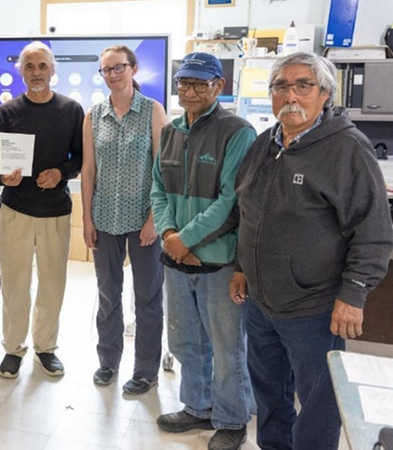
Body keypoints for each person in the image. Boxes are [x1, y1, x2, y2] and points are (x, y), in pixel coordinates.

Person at [230, 52, 393, 450]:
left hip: (314, 309)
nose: (291, 95)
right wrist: (241, 267)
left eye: (303, 85)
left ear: (326, 94)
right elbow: (248, 212)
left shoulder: (347, 149)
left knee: (318, 405)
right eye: (281, 86)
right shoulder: (265, 143)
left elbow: (373, 232)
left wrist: (352, 296)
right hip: (261, 303)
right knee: (269, 395)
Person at [150, 52, 256, 450]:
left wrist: (186, 239)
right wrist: (169, 234)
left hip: (218, 261)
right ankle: (197, 406)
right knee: (183, 340)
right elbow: (158, 189)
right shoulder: (171, 131)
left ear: (218, 86)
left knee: (227, 346)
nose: (189, 91)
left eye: (199, 83)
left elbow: (231, 201)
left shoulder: (238, 132)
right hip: (177, 259)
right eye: (183, 83)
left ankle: (231, 419)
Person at [0, 42, 83, 379]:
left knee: (52, 285)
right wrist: (2, 176)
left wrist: (62, 173)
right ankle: (13, 349)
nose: (37, 73)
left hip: (56, 212)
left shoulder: (72, 110)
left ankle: (46, 349)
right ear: (21, 72)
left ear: (53, 70)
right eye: (30, 67)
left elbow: (80, 158)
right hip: (16, 209)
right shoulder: (6, 113)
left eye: (43, 66)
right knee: (15, 285)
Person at [82, 45, 168, 393]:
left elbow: (163, 170)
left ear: (133, 69)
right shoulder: (94, 115)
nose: (113, 75)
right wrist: (87, 219)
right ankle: (108, 361)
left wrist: (154, 219)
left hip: (143, 219)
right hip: (104, 217)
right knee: (107, 294)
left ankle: (146, 370)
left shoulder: (153, 111)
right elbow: (89, 171)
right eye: (106, 70)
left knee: (147, 297)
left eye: (119, 68)